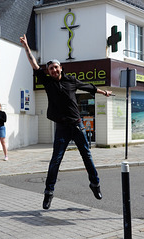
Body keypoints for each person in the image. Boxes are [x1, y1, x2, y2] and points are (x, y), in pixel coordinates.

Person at [20, 34, 113, 210]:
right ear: (48, 71)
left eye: (56, 67)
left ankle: (95, 184)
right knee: (56, 160)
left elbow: (89, 86)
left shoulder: (71, 80)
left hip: (77, 125)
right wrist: (26, 46)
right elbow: (33, 64)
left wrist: (104, 92)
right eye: (50, 69)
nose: (54, 70)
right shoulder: (46, 81)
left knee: (87, 155)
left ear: (61, 68)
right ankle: (48, 193)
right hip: (62, 126)